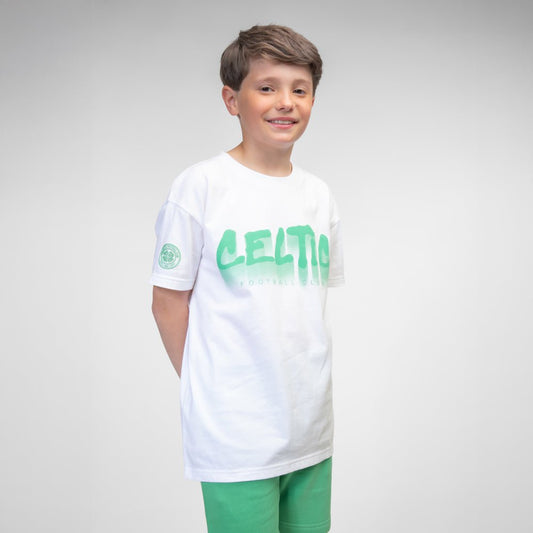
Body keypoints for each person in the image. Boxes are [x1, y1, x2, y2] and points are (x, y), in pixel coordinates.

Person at [150, 24, 344, 533]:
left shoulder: (318, 196)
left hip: (310, 426)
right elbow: (167, 302)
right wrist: (210, 386)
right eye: (267, 87)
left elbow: (306, 308)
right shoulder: (201, 186)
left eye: (300, 90)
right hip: (236, 432)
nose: (286, 102)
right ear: (232, 100)